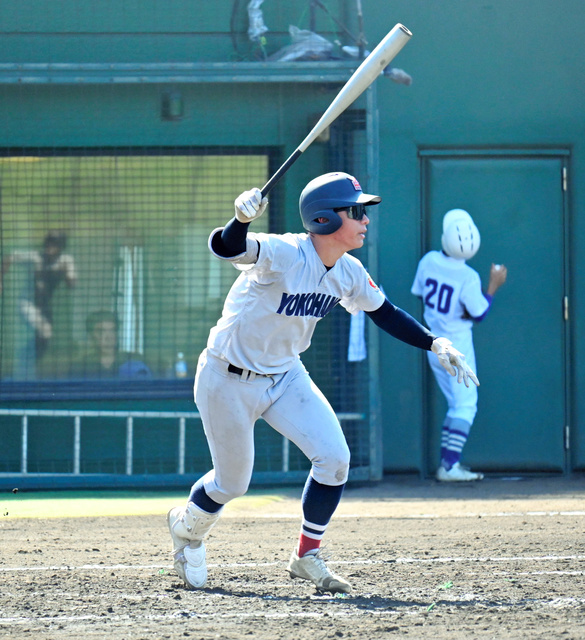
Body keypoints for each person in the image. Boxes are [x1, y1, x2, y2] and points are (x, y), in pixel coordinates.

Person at [167, 172, 479, 594]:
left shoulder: (348, 271)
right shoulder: (285, 252)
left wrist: (433, 341)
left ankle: (306, 555)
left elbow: (384, 312)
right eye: (356, 211)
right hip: (227, 376)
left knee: (334, 458)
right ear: (325, 220)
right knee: (232, 483)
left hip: (284, 374)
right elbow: (228, 248)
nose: (365, 219)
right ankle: (187, 531)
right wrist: (240, 219)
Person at [411, 208, 508, 482]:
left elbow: (420, 293)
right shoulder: (468, 276)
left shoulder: (429, 260)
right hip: (458, 350)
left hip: (434, 345)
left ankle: (448, 464)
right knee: (466, 406)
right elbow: (479, 313)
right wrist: (493, 286)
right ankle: (450, 466)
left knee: (457, 405)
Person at [0, 230, 77, 363]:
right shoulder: (35, 257)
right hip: (27, 303)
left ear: (61, 247)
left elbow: (72, 284)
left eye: (54, 244)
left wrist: (66, 274)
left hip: (45, 305)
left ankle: (28, 358)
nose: (49, 247)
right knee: (45, 331)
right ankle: (24, 358)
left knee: (46, 335)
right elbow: (9, 258)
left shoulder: (66, 260)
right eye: (48, 243)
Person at [70, 310, 152, 379]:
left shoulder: (134, 362)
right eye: (101, 332)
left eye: (112, 330)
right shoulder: (81, 367)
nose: (108, 337)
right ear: (91, 336)